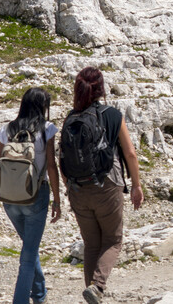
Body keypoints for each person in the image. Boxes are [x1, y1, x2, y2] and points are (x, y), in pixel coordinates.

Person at [61, 68, 143, 304]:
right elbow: (130, 153)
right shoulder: (113, 115)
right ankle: (97, 287)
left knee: (91, 244)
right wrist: (136, 185)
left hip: (78, 189)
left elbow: (62, 156)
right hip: (107, 186)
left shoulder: (71, 117)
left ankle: (92, 293)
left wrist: (69, 189)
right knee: (113, 240)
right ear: (101, 88)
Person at [0, 88, 62, 304]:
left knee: (29, 247)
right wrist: (57, 199)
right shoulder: (47, 129)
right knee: (28, 256)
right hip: (36, 196)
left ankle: (40, 294)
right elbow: (52, 166)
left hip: (8, 199)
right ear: (43, 106)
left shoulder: (7, 129)